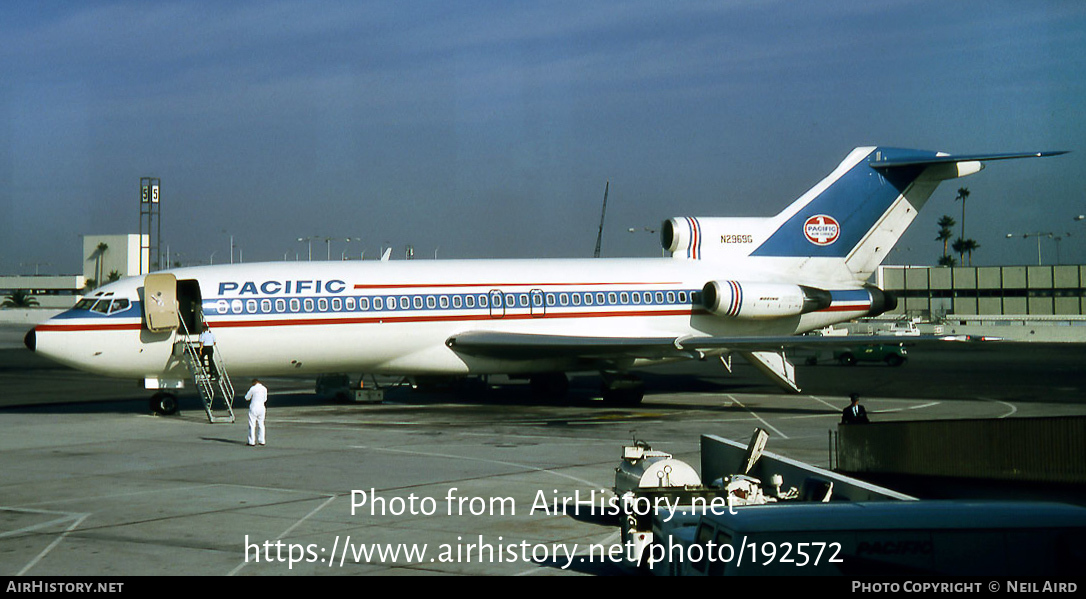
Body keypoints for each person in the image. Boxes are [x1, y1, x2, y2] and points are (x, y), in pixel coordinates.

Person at [245, 378, 268, 446]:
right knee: (261, 424)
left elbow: (247, 397)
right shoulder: (264, 388)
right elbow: (265, 399)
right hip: (262, 407)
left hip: (254, 407)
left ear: (253, 383)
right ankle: (262, 440)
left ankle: (252, 441)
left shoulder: (253, 388)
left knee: (252, 424)